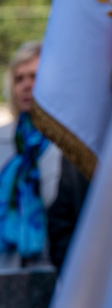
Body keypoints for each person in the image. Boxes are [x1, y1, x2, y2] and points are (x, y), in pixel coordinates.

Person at [0, 40, 61, 268]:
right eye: (19, 78)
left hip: (54, 273)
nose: (26, 85)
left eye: (34, 76)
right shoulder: (2, 141)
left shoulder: (68, 146)